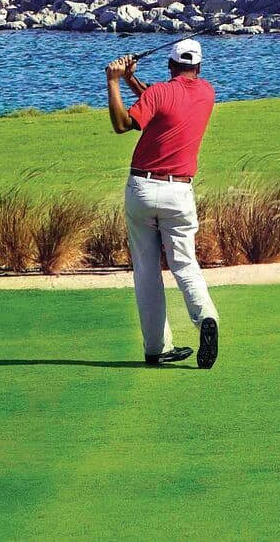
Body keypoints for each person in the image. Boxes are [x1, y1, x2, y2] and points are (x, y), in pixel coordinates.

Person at [106, 39, 220, 369]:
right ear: (198, 67)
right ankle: (206, 317)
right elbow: (160, 104)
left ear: (170, 65)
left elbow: (123, 124)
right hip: (179, 193)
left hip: (143, 189)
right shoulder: (207, 92)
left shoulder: (159, 93)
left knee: (146, 270)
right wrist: (131, 79)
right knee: (185, 264)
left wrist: (114, 81)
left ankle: (156, 348)